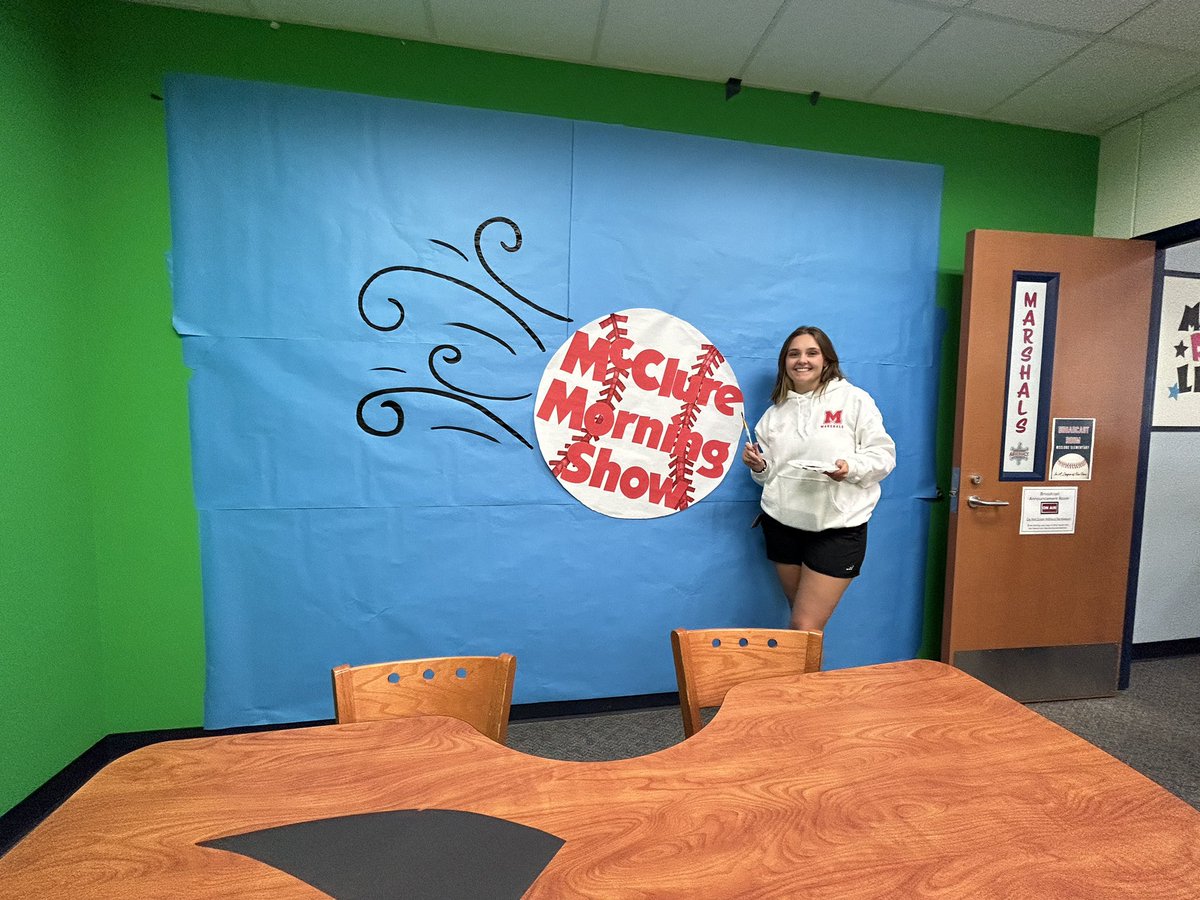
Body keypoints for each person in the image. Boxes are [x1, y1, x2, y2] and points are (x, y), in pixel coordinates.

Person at [741, 326, 895, 631]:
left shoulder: (854, 400)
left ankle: (799, 681)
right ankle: (799, 681)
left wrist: (849, 468)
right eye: (794, 354)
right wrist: (759, 467)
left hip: (837, 530)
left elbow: (883, 457)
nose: (802, 360)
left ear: (827, 360)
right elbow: (769, 477)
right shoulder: (775, 414)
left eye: (812, 352)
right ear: (784, 362)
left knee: (804, 626)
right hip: (783, 526)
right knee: (801, 629)